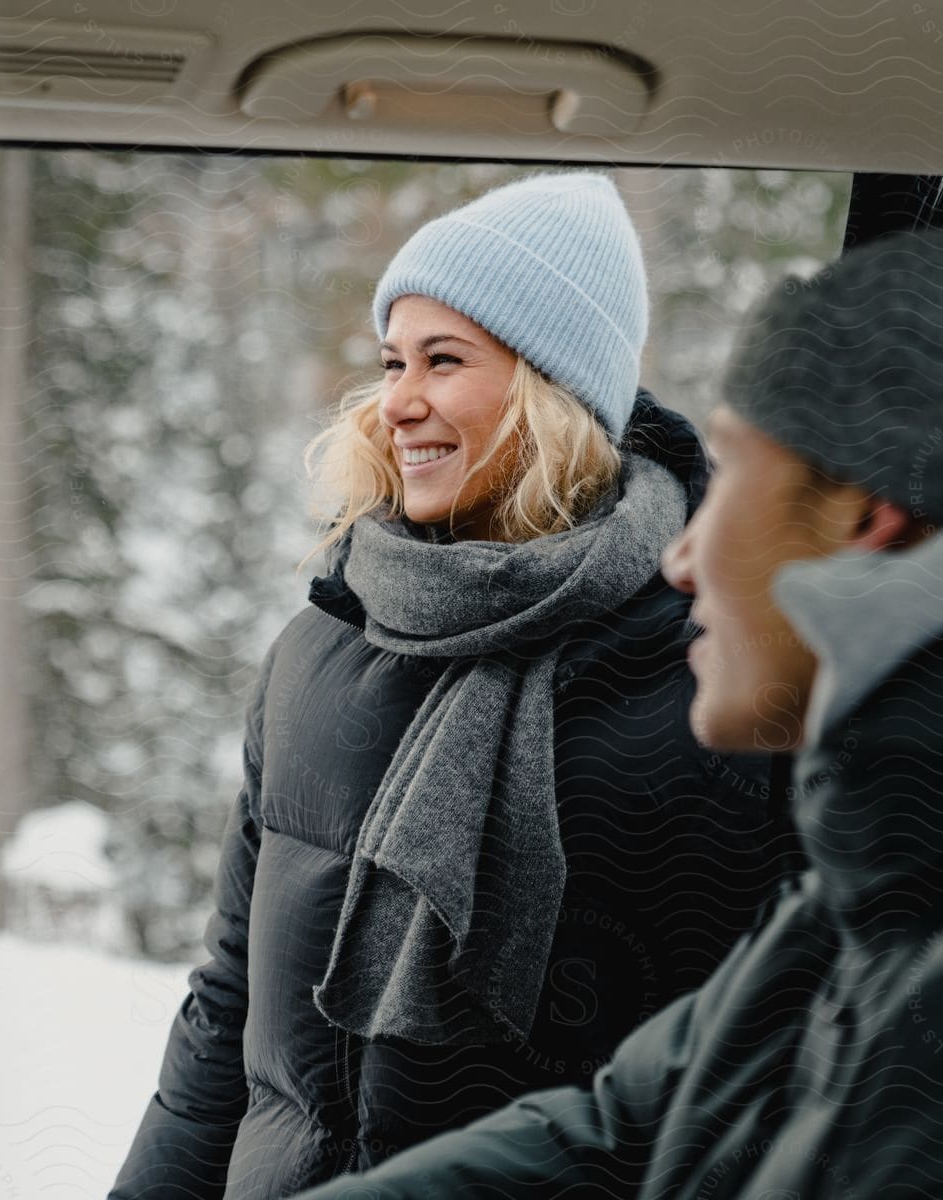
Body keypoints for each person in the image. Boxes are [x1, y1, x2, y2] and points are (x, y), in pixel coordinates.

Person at [292, 225, 943, 1198]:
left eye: (739, 472)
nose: (679, 557)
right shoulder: (915, 854)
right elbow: (620, 1132)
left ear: (863, 512)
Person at [108, 172, 792, 1200]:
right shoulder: (318, 654)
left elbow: (730, 1083)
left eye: (444, 360)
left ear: (552, 388)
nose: (399, 402)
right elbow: (226, 1005)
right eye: (391, 361)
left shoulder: (699, 682)